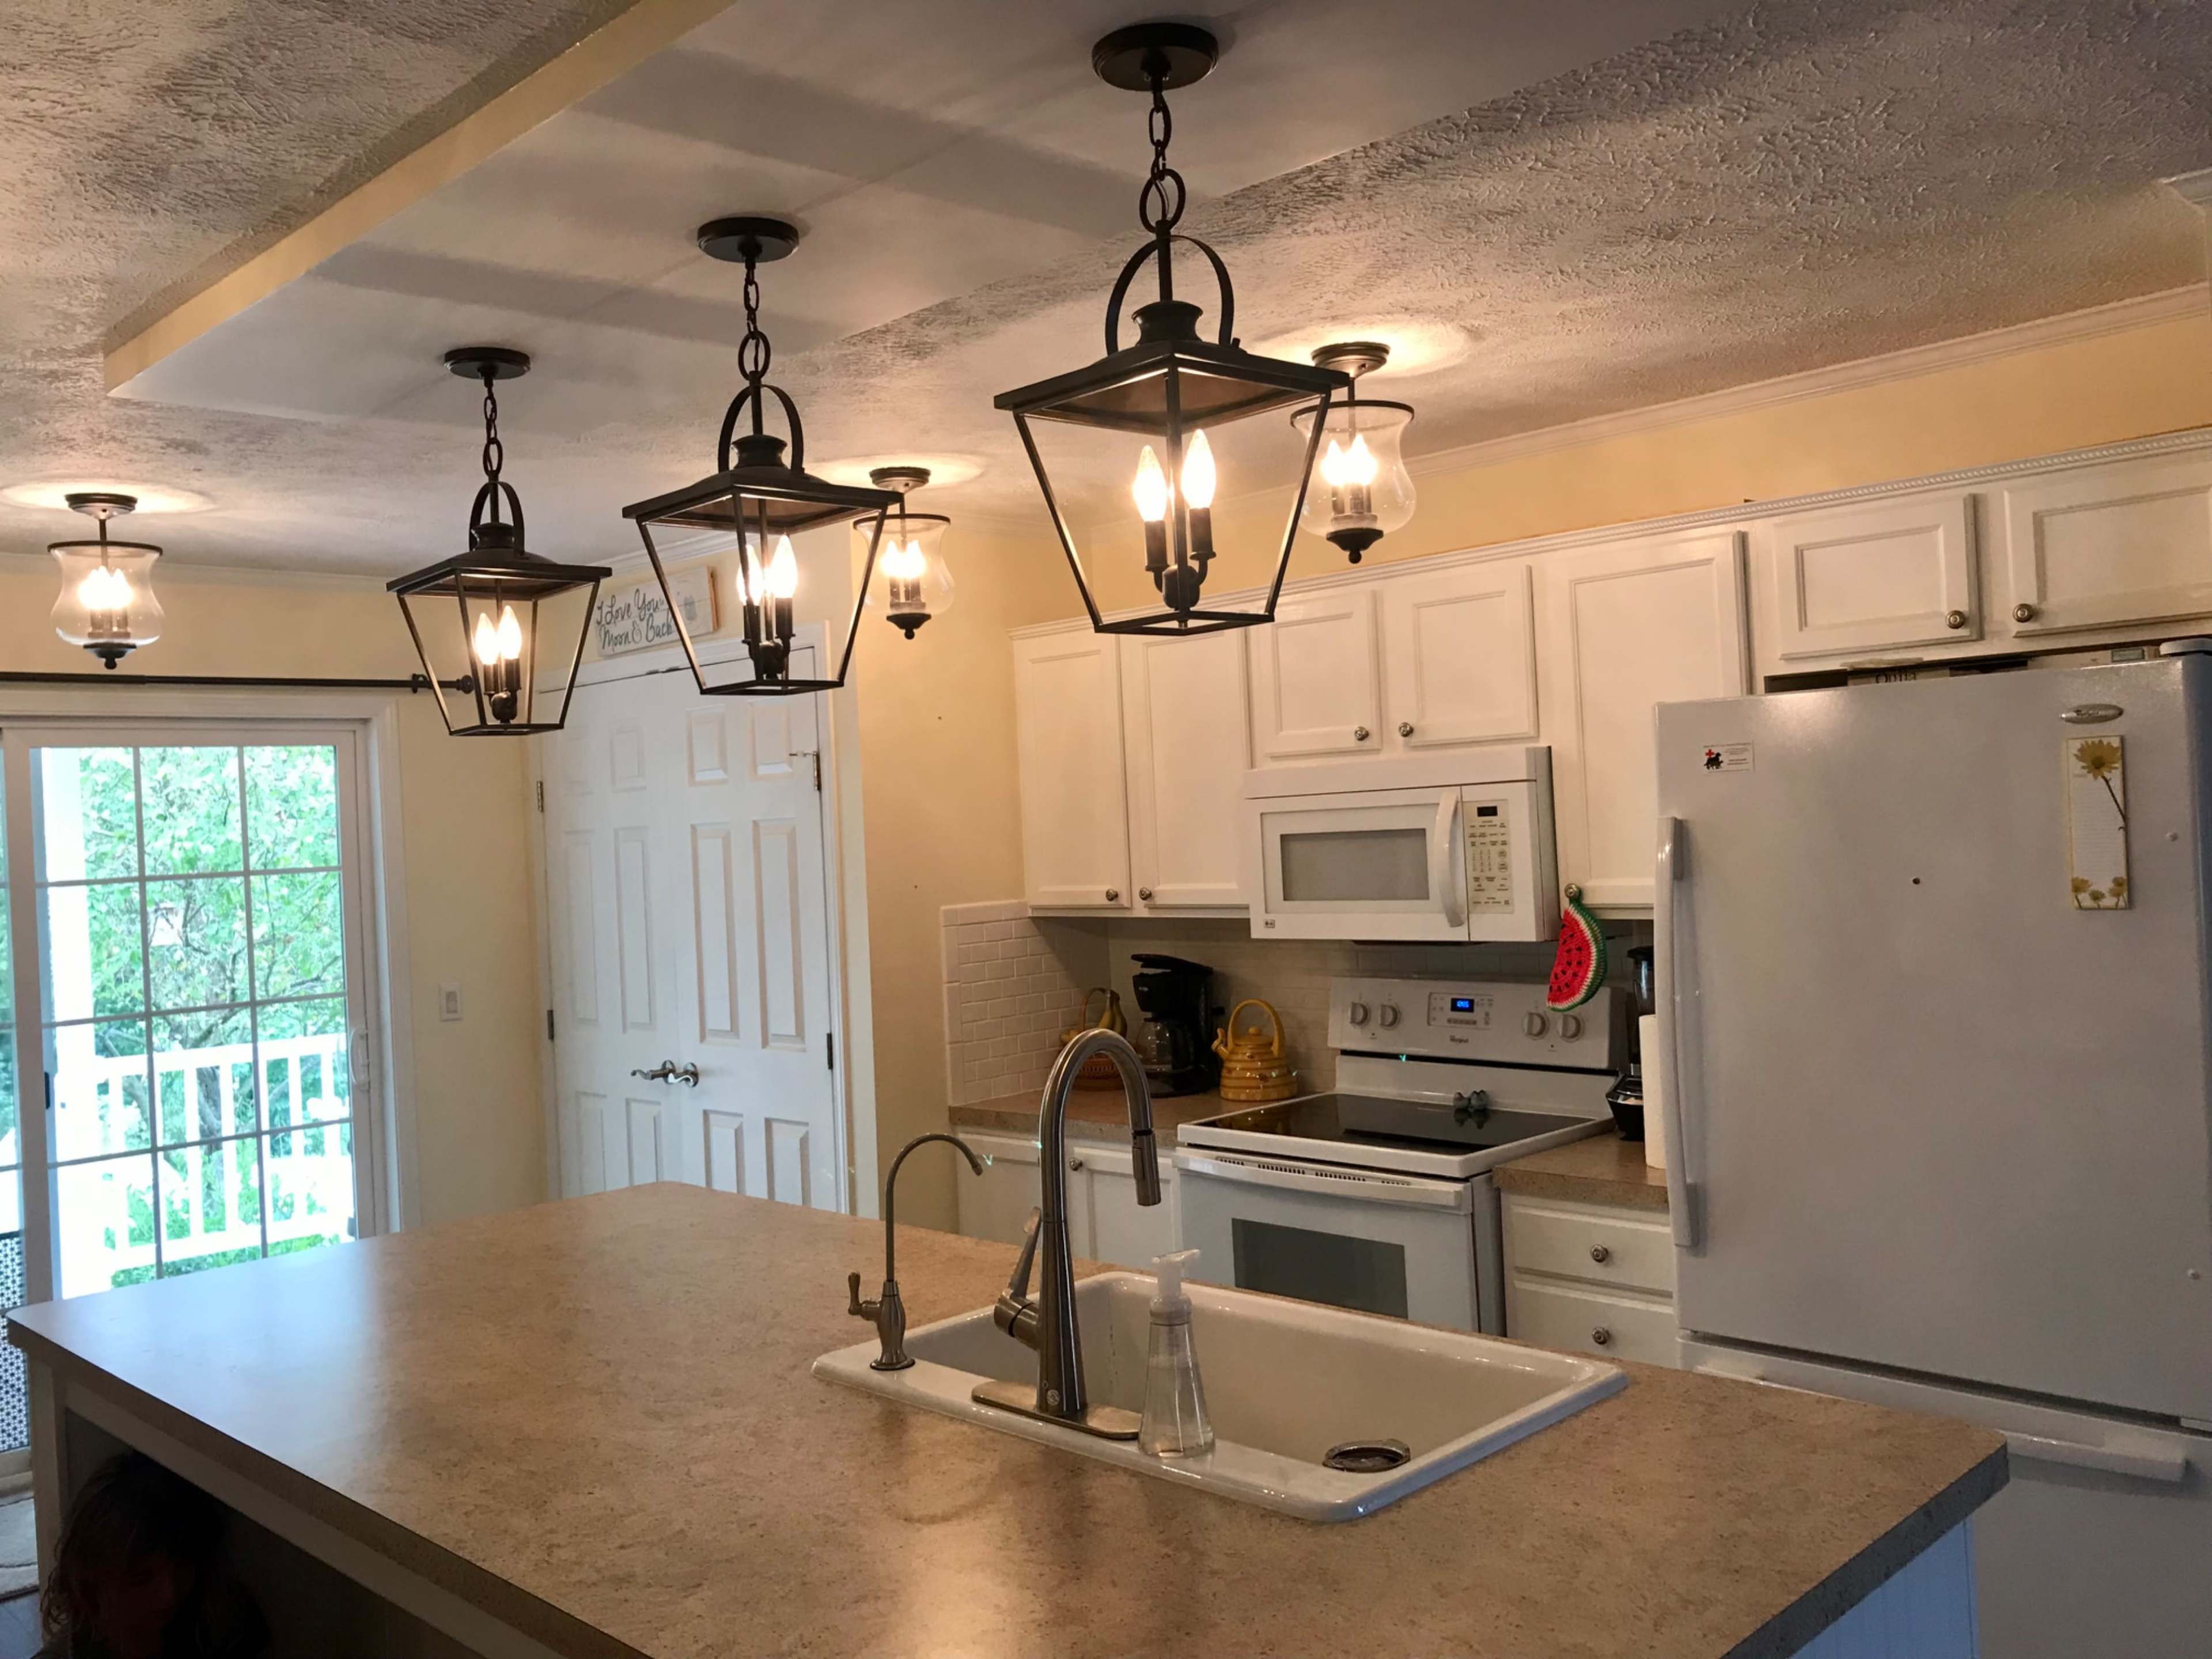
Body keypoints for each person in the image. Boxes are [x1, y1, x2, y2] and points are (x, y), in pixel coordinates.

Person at [37, 1452, 266, 1659]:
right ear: (89, 1589)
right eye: (141, 1578)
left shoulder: (223, 1627)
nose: (170, 1593)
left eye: (182, 1566)